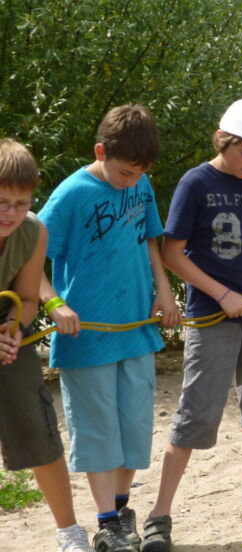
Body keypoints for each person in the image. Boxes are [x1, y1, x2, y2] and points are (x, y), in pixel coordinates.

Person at [139, 100, 242, 551]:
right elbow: (174, 254)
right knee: (196, 413)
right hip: (212, 318)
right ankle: (160, 514)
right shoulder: (196, 182)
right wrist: (222, 294)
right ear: (225, 141)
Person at [38, 105, 180, 552]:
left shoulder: (141, 183)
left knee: (135, 428)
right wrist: (53, 302)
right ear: (101, 152)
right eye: (123, 172)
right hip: (87, 338)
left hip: (136, 327)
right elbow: (28, 257)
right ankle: (105, 523)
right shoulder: (71, 194)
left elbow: (150, 239)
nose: (131, 181)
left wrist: (164, 290)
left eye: (139, 173)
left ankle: (120, 511)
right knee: (98, 429)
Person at [0, 139, 94, 552]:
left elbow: (27, 298)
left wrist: (12, 332)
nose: (12, 213)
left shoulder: (34, 230)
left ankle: (69, 533)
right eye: (2, 202)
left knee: (39, 429)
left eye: (22, 202)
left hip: (4, 329)